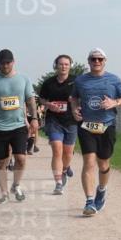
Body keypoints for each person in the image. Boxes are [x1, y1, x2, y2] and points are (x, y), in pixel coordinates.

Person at [70, 48, 121, 216]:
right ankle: (89, 201)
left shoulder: (114, 80)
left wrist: (114, 102)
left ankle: (101, 190)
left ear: (105, 61)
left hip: (107, 126)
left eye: (100, 59)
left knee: (103, 163)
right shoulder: (81, 81)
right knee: (88, 162)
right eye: (93, 59)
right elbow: (74, 98)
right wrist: (74, 110)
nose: (96, 62)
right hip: (87, 126)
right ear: (88, 61)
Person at [0, 49, 38, 203]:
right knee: (0, 161)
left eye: (8, 62)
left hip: (18, 125)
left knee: (21, 158)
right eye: (2, 63)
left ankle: (16, 185)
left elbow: (31, 100)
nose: (5, 66)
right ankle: (4, 193)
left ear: (13, 62)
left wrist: (34, 119)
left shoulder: (23, 79)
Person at [39, 54, 78, 195]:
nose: (63, 66)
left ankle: (65, 168)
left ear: (70, 66)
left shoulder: (76, 81)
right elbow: (42, 99)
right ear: (56, 66)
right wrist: (48, 104)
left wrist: (74, 100)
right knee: (57, 149)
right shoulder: (49, 83)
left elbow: (83, 96)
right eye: (61, 64)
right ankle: (58, 183)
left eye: (66, 64)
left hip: (71, 121)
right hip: (53, 120)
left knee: (67, 153)